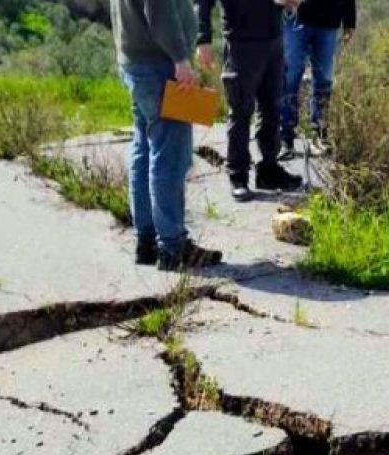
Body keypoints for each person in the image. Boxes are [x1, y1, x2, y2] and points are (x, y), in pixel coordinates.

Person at [111, 0, 224, 270]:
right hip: (159, 64)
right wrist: (180, 58)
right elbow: (159, 9)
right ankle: (173, 247)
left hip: (136, 62)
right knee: (169, 153)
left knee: (145, 147)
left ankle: (147, 241)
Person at [196, 0, 303, 201]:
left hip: (274, 37)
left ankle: (268, 170)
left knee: (272, 107)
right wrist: (203, 38)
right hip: (242, 40)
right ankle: (238, 176)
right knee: (241, 108)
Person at [279, 0, 356, 157]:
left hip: (329, 21)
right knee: (290, 77)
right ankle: (285, 138)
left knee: (324, 80)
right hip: (296, 18)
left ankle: (320, 135)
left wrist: (349, 22)